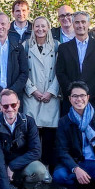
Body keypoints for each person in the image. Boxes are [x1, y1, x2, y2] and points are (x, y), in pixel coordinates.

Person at [55, 11, 95, 115]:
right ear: (73, 24)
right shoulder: (63, 48)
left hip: (94, 100)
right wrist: (74, 92)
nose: (80, 25)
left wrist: (86, 93)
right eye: (77, 22)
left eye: (83, 22)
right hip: (71, 101)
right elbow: (60, 72)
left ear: (88, 24)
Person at [23, 16, 61, 168]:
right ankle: (32, 167)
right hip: (32, 96)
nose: (40, 29)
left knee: (49, 136)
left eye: (43, 26)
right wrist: (33, 90)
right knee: (32, 135)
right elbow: (22, 71)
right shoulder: (25, 46)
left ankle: (46, 167)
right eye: (37, 26)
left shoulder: (57, 46)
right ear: (33, 28)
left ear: (48, 28)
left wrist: (51, 91)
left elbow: (60, 72)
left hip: (50, 97)